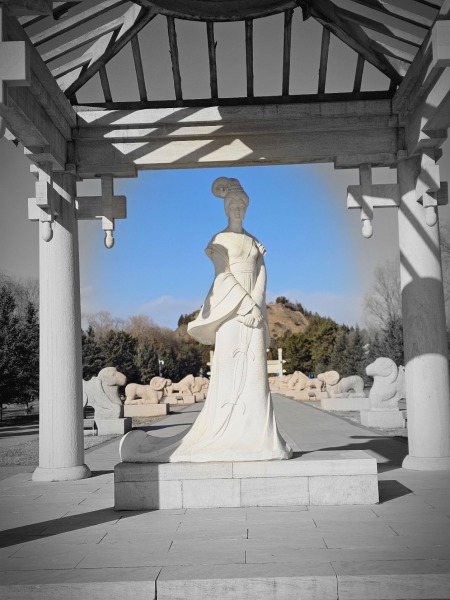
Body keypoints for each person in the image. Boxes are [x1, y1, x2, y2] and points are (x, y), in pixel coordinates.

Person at [168, 177, 292, 462]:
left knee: (255, 374)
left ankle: (259, 438)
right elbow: (223, 275)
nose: (238, 208)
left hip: (254, 312)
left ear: (246, 208)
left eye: (242, 204)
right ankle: (225, 431)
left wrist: (257, 305)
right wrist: (245, 304)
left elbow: (262, 271)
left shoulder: (254, 241)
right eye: (233, 204)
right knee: (230, 371)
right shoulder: (219, 240)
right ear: (226, 208)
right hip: (231, 311)